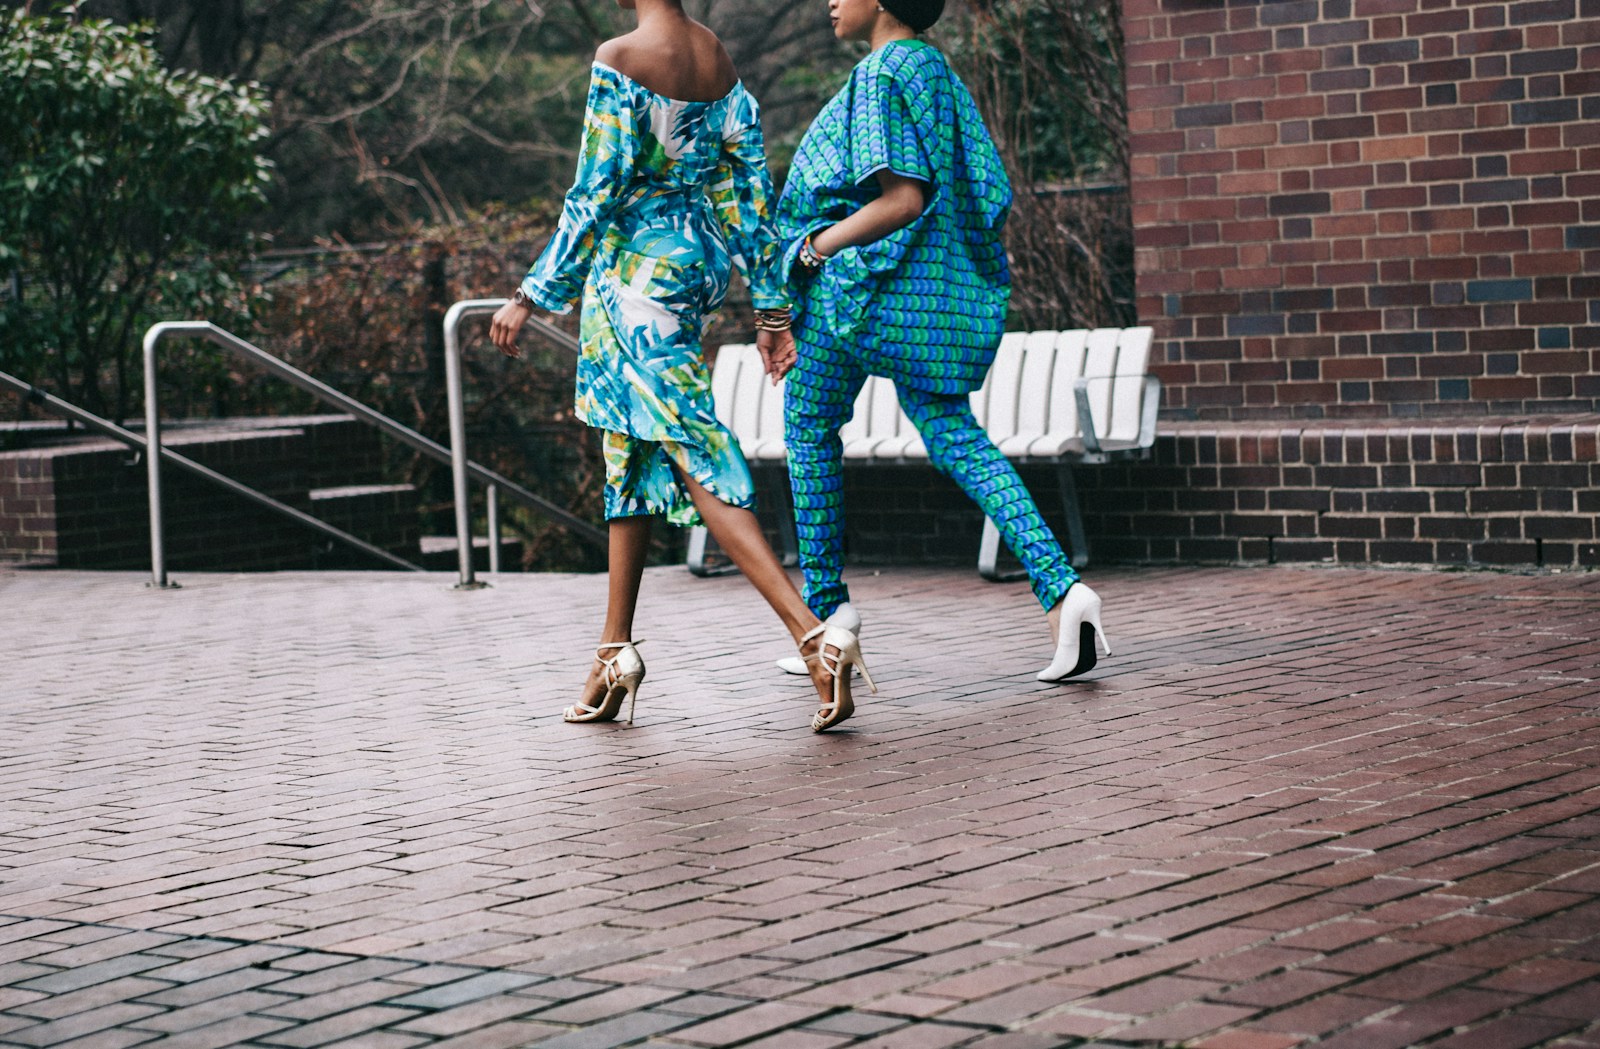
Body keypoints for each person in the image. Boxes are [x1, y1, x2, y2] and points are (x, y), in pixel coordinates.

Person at [489, 0, 874, 731]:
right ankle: (612, 652)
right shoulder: (715, 59)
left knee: (694, 447)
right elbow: (749, 193)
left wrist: (529, 294)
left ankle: (814, 636)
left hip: (633, 280)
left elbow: (594, 188)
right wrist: (770, 308)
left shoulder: (621, 57)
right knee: (630, 451)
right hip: (690, 272)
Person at [772, 0, 1111, 682]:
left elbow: (903, 199)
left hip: (862, 293)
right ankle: (1063, 591)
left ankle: (828, 615)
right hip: (920, 297)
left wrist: (813, 250)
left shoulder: (881, 73)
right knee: (955, 436)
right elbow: (980, 192)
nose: (829, 1)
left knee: (808, 427)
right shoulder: (936, 71)